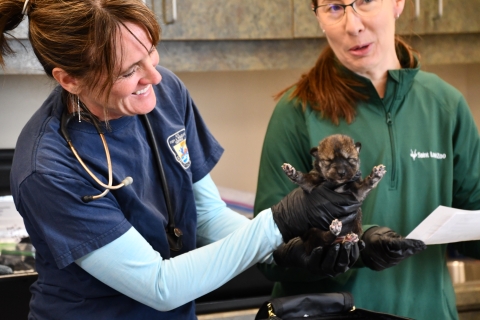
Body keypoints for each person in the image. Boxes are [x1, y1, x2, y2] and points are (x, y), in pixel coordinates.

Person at [0, 1, 365, 319]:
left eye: (152, 52)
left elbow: (206, 213)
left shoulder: (166, 93)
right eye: (129, 71)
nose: (153, 76)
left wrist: (283, 251)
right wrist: (281, 221)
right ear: (70, 80)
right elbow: (160, 286)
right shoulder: (49, 168)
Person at [254, 0, 480, 319]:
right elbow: (265, 251)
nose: (352, 25)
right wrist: (350, 245)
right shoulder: (296, 112)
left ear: (398, 3)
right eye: (334, 7)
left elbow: (473, 229)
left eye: (365, 1)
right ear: (317, 15)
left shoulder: (446, 106)